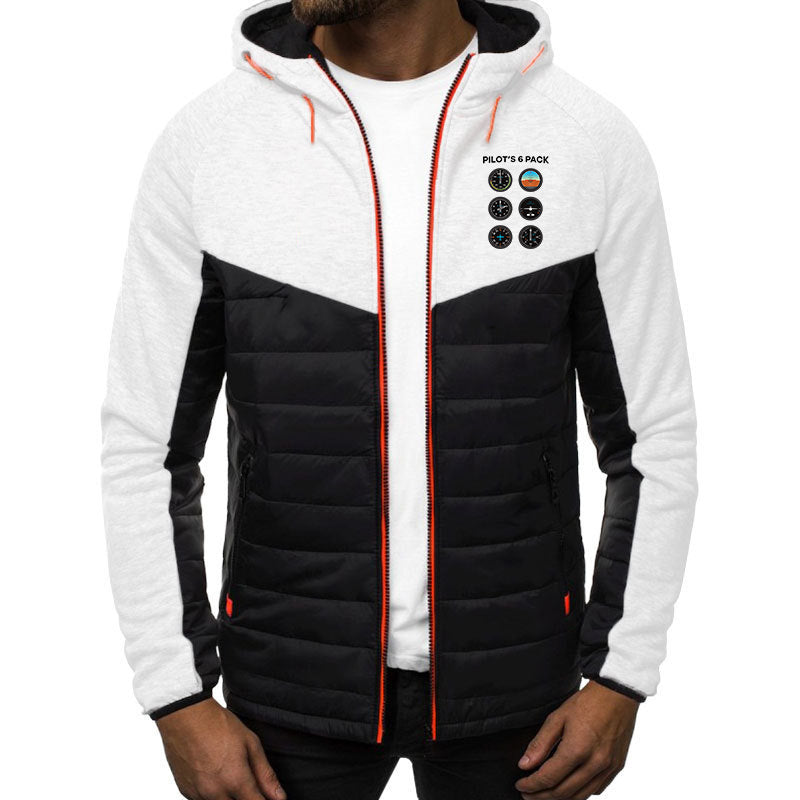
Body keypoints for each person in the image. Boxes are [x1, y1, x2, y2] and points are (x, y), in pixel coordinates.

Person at [100, 1, 698, 798]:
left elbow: (653, 437)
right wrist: (175, 696)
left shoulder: (582, 139)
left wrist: (623, 675)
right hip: (288, 689)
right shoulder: (210, 145)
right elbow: (146, 446)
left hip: (521, 694)